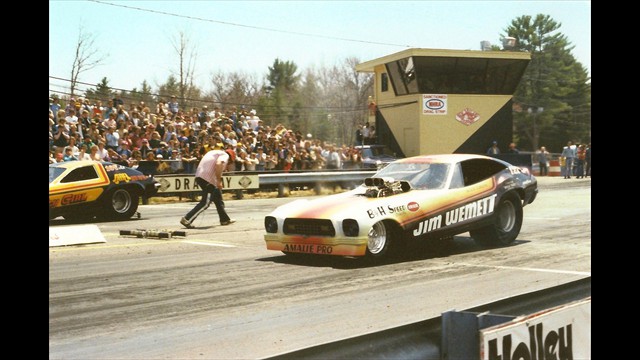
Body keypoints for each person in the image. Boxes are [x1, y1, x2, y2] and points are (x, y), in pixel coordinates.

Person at [180, 142, 235, 228]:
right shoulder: (225, 155)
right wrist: (219, 180)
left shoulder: (214, 152)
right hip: (207, 179)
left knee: (218, 198)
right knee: (205, 203)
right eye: (229, 163)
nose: (228, 165)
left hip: (200, 175)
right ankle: (187, 218)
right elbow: (219, 164)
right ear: (231, 157)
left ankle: (224, 219)